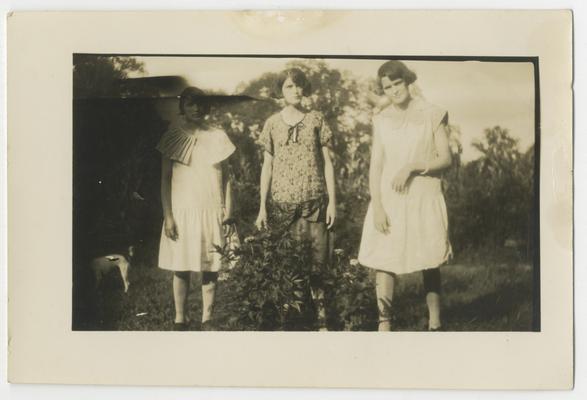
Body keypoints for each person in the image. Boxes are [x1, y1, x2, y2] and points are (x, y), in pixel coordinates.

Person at [358, 61, 453, 331]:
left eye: (397, 83)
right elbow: (376, 166)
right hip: (390, 198)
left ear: (407, 81)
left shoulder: (433, 113)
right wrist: (377, 205)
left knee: (430, 256)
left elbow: (445, 158)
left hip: (423, 195)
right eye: (386, 87)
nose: (393, 91)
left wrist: (412, 166)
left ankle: (435, 321)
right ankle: (384, 323)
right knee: (383, 259)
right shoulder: (381, 120)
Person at [255, 68, 336, 331]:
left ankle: (322, 323)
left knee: (317, 268)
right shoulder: (272, 124)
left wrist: (332, 202)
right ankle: (291, 323)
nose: (296, 91)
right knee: (288, 268)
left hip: (314, 204)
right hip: (282, 206)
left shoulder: (316, 119)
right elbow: (267, 167)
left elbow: (327, 164)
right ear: (281, 91)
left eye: (300, 86)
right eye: (290, 86)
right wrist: (261, 208)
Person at [157, 86, 236, 331]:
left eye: (201, 104)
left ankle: (207, 318)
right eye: (191, 104)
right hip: (182, 210)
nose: (196, 108)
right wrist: (168, 216)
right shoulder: (173, 135)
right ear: (183, 107)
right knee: (181, 267)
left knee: (210, 266)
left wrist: (228, 209)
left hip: (211, 207)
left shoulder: (218, 136)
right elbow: (165, 179)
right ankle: (180, 318)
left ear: (207, 107)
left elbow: (228, 178)